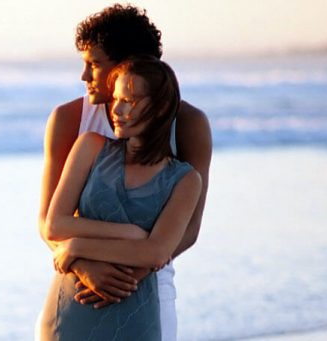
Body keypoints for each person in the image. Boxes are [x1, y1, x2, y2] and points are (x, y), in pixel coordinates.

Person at [35, 4, 212, 340]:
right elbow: (49, 224)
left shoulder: (189, 124)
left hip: (150, 284)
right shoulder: (69, 120)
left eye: (94, 64)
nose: (84, 76)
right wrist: (87, 268)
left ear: (126, 65)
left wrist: (129, 275)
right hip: (77, 284)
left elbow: (188, 231)